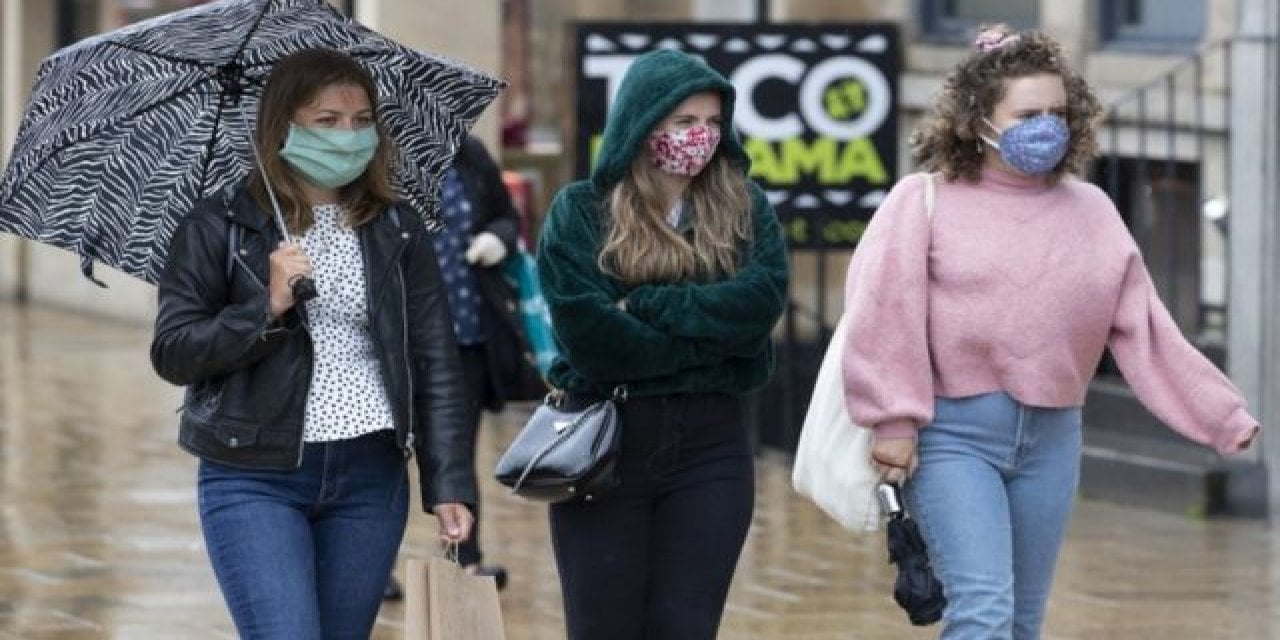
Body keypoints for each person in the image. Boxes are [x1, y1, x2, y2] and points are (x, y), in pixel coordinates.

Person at [841, 25, 1261, 640]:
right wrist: (893, 423)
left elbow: (1144, 327)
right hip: (955, 437)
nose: (1047, 127)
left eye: (1058, 113)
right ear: (977, 119)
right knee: (983, 614)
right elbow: (884, 316)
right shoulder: (922, 201)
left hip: (1053, 440)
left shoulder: (1091, 209)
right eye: (1028, 113)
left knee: (1023, 623)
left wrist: (1220, 415)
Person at [150, 48, 475, 638]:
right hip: (254, 471)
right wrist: (265, 306)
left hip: (370, 472)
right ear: (284, 125)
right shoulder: (219, 222)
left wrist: (448, 481)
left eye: (360, 120)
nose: (348, 135)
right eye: (327, 120)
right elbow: (174, 349)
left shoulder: (397, 227)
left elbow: (435, 359)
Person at [535, 48, 789, 639]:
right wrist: (714, 345)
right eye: (684, 122)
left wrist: (646, 304)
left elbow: (759, 308)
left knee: (688, 626)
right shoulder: (581, 211)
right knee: (604, 626)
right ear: (642, 125)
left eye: (712, 123)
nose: (700, 136)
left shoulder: (744, 207)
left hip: (712, 449)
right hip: (606, 444)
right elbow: (593, 340)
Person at [383, 135, 519, 600]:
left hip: (464, 330)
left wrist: (496, 239)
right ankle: (375, 563)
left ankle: (466, 557)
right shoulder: (376, 159)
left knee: (458, 448)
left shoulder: (471, 155)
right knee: (385, 453)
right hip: (394, 337)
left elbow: (507, 216)